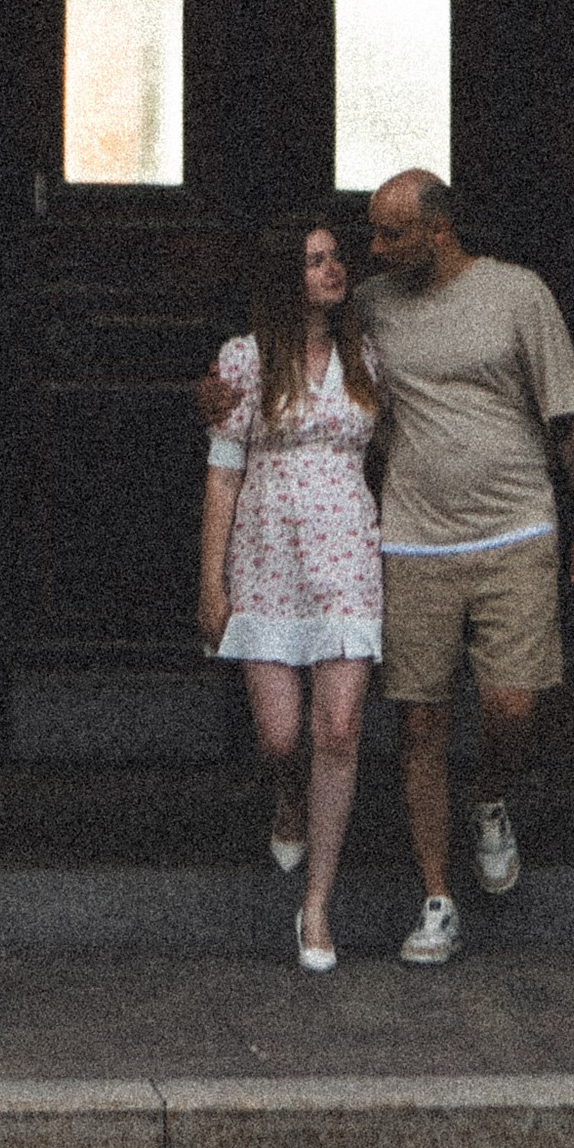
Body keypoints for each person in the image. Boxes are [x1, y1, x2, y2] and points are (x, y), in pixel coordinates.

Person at [353, 169, 574, 965]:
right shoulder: (369, 304)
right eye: (373, 232)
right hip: (413, 537)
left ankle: (490, 797)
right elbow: (293, 362)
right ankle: (437, 898)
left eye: (391, 234)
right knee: (420, 719)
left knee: (513, 705)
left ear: (438, 230)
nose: (376, 248)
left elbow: (570, 417)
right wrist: (217, 396)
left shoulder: (517, 294)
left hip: (515, 528)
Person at [196, 217, 384, 973]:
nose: (334, 269)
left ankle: (316, 906)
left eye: (336, 257)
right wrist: (212, 582)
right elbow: (223, 472)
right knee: (282, 738)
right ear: (286, 277)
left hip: (346, 558)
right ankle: (289, 796)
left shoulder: (365, 356)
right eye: (315, 262)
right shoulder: (244, 359)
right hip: (268, 555)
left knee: (337, 730)